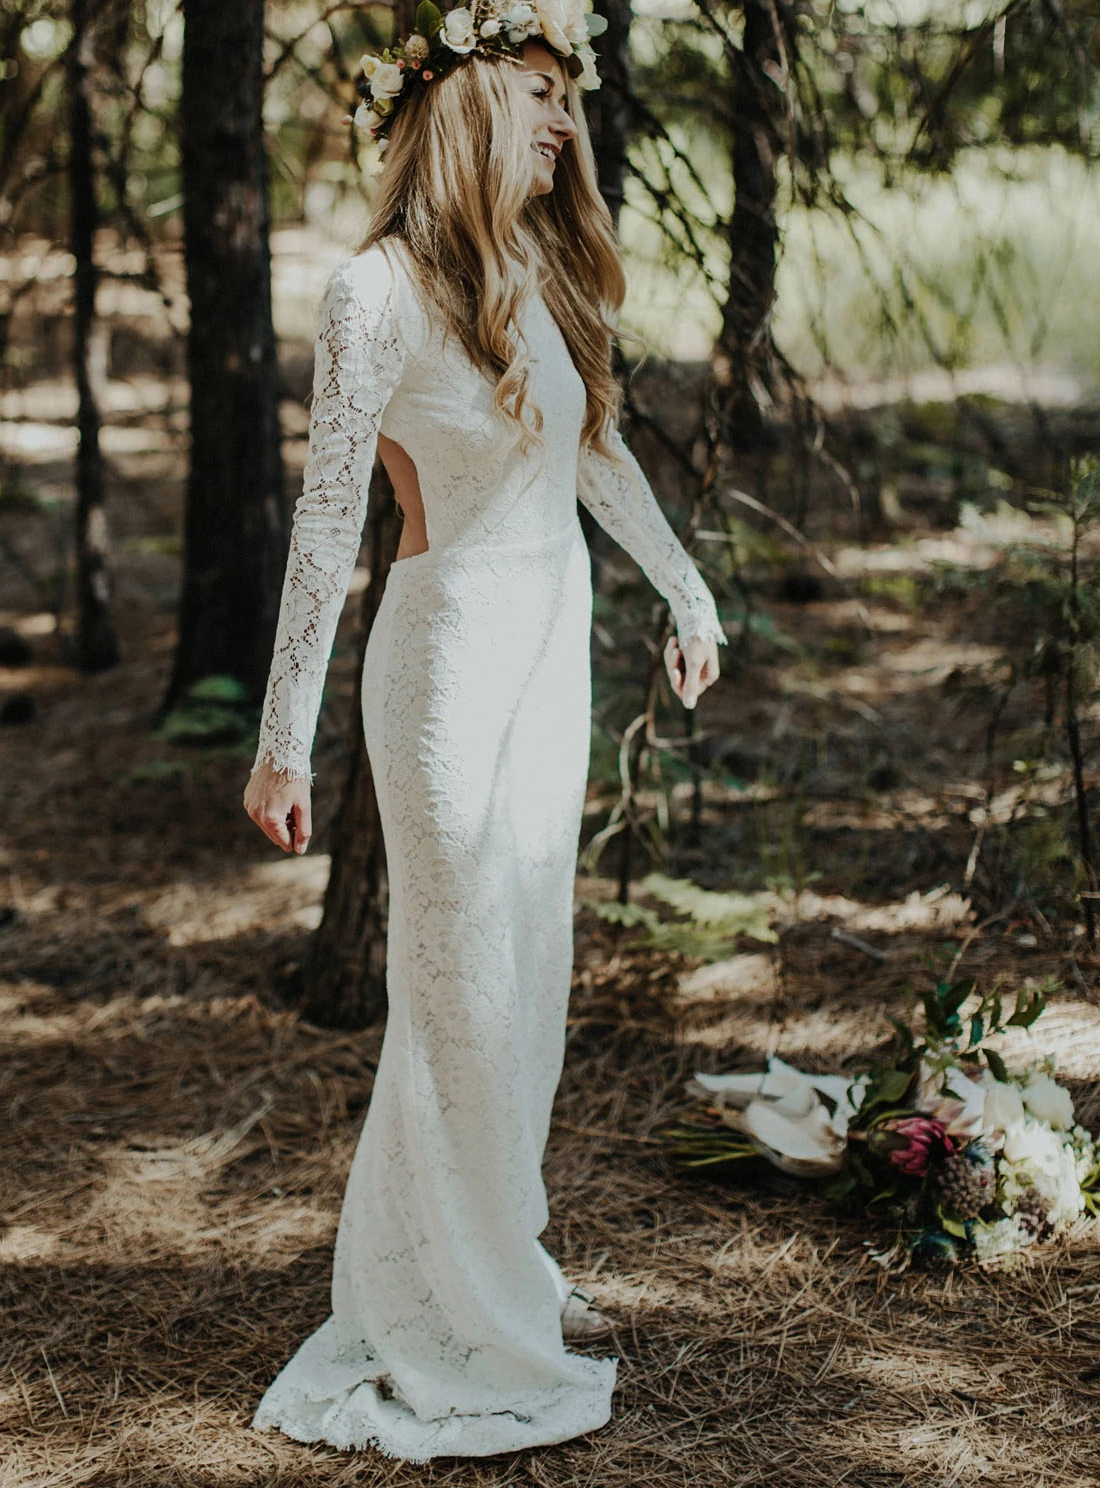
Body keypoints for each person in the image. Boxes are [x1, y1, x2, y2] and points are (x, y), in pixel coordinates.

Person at [241, 0, 726, 1461]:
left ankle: (489, 1261)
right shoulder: (371, 295)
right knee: (459, 994)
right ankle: (458, 1314)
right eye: (537, 94)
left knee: (529, 980)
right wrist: (280, 740)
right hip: (445, 662)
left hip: (549, 653)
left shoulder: (529, 270)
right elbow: (326, 530)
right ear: (463, 106)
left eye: (566, 99)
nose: (564, 123)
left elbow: (596, 454)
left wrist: (689, 591)